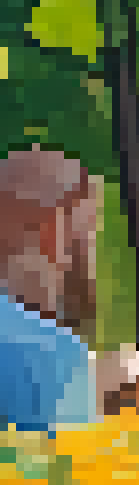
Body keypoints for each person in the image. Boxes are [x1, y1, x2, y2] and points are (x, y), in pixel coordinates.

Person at [0, 147, 102, 433]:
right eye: (87, 230)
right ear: (52, 230)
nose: (90, 249)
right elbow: (68, 473)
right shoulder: (53, 354)